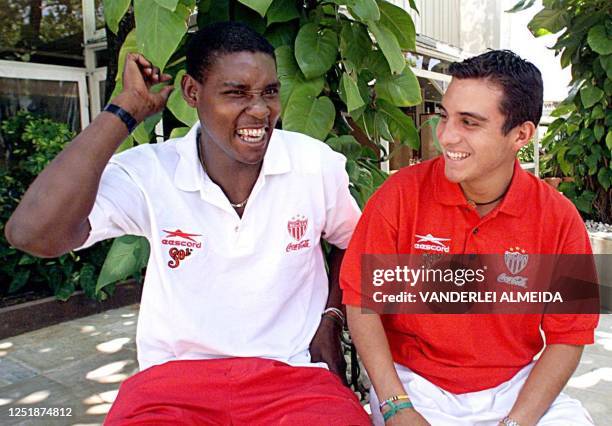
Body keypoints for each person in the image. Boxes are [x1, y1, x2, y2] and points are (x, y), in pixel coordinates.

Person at [5, 22, 370, 425]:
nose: (261, 110)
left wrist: (331, 320)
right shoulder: (150, 174)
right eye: (236, 93)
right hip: (173, 386)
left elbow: (355, 242)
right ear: (192, 93)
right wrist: (123, 112)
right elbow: (33, 233)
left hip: (293, 378)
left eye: (269, 91)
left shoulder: (312, 164)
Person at [340, 50, 599, 425]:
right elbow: (362, 303)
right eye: (445, 116)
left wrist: (516, 422)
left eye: (470, 123)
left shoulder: (558, 218)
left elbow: (568, 336)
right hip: (416, 386)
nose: (446, 136)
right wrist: (396, 405)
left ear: (521, 135)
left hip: (514, 386)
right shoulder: (400, 195)